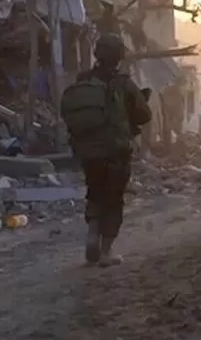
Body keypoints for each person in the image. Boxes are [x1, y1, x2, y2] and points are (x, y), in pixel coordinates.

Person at [61, 33, 153, 267]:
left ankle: (93, 231)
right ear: (120, 56)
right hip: (115, 152)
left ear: (97, 54)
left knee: (95, 192)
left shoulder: (82, 81)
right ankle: (106, 251)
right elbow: (144, 116)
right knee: (113, 199)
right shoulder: (123, 84)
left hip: (87, 153)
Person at [159, 79, 185, 150]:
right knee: (169, 128)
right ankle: (169, 147)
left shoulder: (175, 87)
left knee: (175, 128)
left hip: (173, 107)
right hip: (169, 106)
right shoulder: (169, 87)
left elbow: (181, 97)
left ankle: (175, 147)